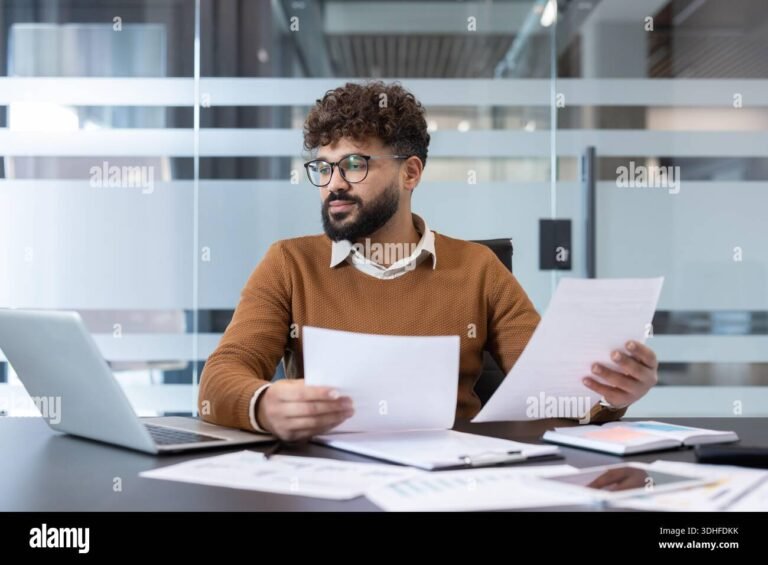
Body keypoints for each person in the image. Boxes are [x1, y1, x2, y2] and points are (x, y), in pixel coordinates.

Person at [198, 81, 658, 441]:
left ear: (410, 172)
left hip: (454, 478)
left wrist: (611, 395)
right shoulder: (289, 263)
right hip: (325, 475)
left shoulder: (478, 268)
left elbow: (553, 392)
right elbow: (219, 380)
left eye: (354, 164)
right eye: (323, 167)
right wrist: (262, 404)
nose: (334, 183)